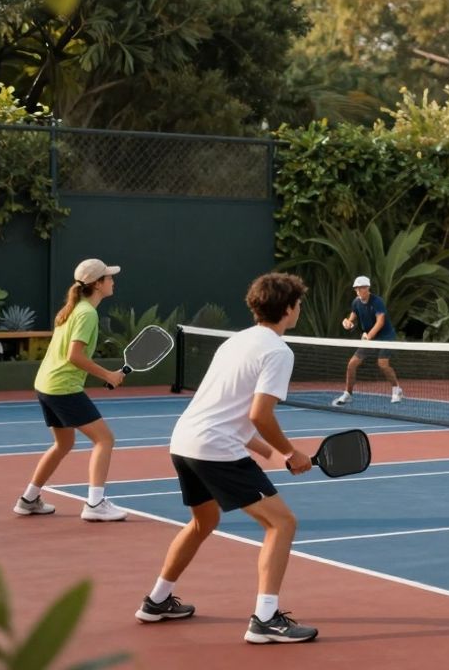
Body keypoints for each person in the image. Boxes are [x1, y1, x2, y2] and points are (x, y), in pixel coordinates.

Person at [135, 272, 319, 644]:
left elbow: (225, 407)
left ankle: (156, 601)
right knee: (282, 524)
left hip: (184, 441)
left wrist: (266, 450)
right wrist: (290, 451)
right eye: (298, 303)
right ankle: (265, 620)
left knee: (204, 521)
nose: (299, 309)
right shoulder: (278, 351)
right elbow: (259, 414)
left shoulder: (235, 342)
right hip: (214, 448)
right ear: (287, 309)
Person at [14, 258, 129, 522]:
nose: (113, 281)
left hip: (46, 384)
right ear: (97, 284)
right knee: (105, 439)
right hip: (62, 387)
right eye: (108, 277)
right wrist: (108, 374)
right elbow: (74, 356)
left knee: (64, 443)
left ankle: (29, 499)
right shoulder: (87, 313)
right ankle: (95, 504)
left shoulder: (74, 308)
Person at [332, 276, 403, 406]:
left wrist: (368, 337)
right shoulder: (356, 302)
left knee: (383, 364)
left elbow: (380, 322)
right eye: (356, 288)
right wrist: (348, 322)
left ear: (368, 288)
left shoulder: (377, 302)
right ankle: (348, 394)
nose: (358, 291)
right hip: (369, 338)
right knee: (352, 364)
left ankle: (396, 389)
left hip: (386, 337)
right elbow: (352, 317)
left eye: (361, 288)